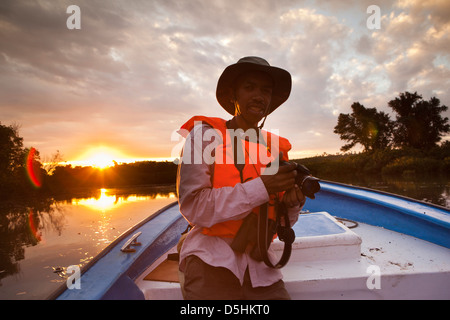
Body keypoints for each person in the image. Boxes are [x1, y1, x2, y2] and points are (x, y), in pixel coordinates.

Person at [176, 56, 305, 300]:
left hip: (261, 266)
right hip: (211, 260)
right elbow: (194, 207)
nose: (259, 95)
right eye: (249, 87)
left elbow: (283, 221)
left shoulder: (276, 149)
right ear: (233, 95)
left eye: (265, 90)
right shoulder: (203, 136)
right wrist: (262, 187)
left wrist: (292, 204)